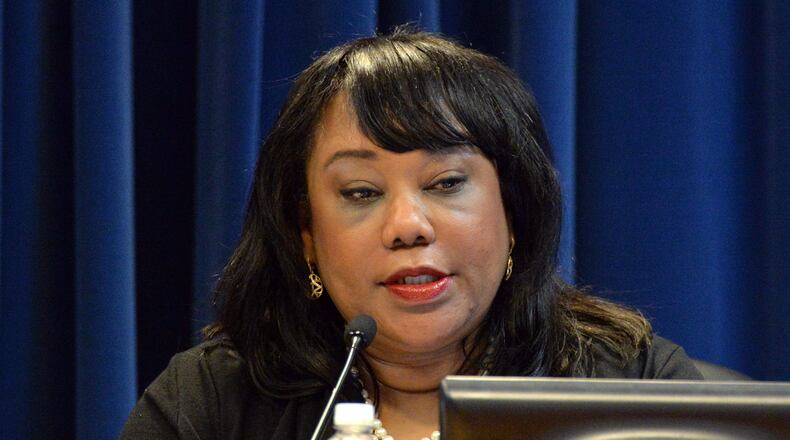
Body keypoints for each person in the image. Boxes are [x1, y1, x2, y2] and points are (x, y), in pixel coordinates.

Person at [120, 29, 702, 440]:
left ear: (516, 213)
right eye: (361, 193)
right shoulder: (212, 402)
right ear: (305, 236)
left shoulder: (634, 387)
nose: (406, 227)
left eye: (446, 182)